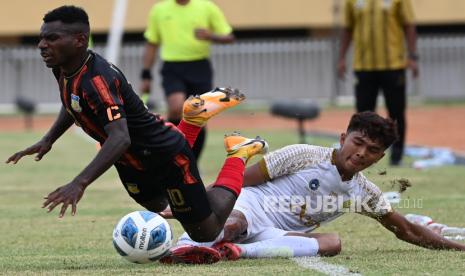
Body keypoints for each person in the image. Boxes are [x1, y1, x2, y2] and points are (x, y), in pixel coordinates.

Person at [5, 5, 267, 243]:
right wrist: (48, 139)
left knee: (205, 232)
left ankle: (238, 153)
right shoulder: (64, 66)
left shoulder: (97, 82)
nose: (41, 44)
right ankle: (193, 122)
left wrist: (79, 182)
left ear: (79, 40)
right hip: (132, 162)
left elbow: (120, 138)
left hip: (166, 154)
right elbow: (72, 101)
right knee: (163, 206)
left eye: (51, 38)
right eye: (42, 37)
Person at [157, 112, 465, 264]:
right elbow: (234, 183)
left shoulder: (364, 193)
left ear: (379, 158)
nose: (361, 153)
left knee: (332, 243)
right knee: (235, 222)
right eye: (358, 142)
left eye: (371, 150)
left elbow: (407, 231)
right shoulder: (303, 154)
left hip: (273, 233)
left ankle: (233, 251)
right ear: (344, 138)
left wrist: (458, 249)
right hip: (249, 207)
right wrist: (197, 205)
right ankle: (187, 246)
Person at [140, 0, 235, 159]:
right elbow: (152, 44)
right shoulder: (159, 10)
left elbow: (229, 37)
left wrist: (210, 36)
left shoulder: (206, 7)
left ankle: (191, 161)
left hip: (199, 67)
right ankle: (170, 152)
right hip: (172, 67)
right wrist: (146, 74)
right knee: (176, 108)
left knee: (197, 116)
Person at [337, 0, 419, 166]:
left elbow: (409, 25)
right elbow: (347, 28)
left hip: (393, 65)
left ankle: (396, 157)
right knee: (362, 115)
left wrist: (412, 56)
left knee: (396, 112)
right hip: (364, 66)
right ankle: (357, 157)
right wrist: (341, 58)